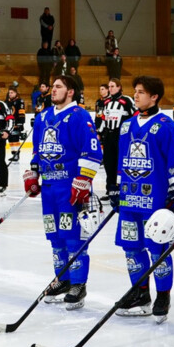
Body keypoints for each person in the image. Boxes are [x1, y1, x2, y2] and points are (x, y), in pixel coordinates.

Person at [112, 75, 174, 323]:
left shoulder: (166, 126)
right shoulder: (127, 125)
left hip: (155, 201)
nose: (135, 96)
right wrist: (116, 188)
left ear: (154, 96)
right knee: (131, 248)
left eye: (141, 92)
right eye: (135, 91)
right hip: (129, 199)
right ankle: (140, 293)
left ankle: (163, 295)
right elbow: (122, 160)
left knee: (158, 250)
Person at [25, 75, 103, 308]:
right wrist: (34, 172)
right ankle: (63, 279)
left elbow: (92, 151)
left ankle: (78, 283)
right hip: (49, 188)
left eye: (58, 87)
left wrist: (83, 179)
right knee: (55, 237)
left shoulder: (80, 115)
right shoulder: (43, 117)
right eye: (53, 87)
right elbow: (38, 149)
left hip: (70, 187)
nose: (53, 90)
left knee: (73, 237)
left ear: (70, 92)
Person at [98, 77, 135, 196]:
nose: (110, 89)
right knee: (109, 163)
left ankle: (121, 189)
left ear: (119, 87)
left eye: (112, 86)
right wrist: (99, 133)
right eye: (109, 86)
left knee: (120, 162)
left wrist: (132, 133)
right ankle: (110, 190)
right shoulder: (107, 102)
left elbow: (135, 116)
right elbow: (104, 119)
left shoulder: (126, 100)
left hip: (121, 136)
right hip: (108, 136)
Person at [5, 84, 27, 163]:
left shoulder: (19, 101)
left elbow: (21, 112)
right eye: (9, 93)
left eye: (12, 93)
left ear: (16, 93)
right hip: (9, 124)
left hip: (16, 124)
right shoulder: (7, 102)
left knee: (15, 139)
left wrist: (21, 122)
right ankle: (13, 154)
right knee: (10, 139)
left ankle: (17, 154)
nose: (10, 94)